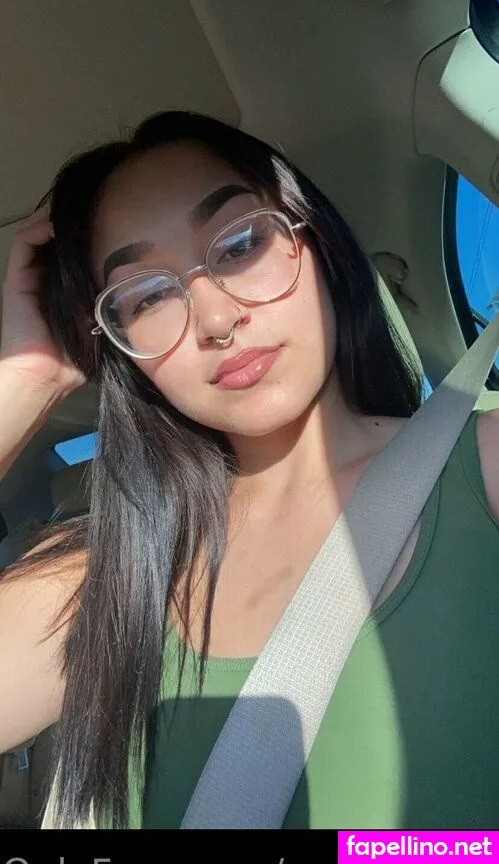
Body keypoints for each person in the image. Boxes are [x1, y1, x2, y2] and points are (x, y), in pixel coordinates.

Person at [0, 110, 498, 830]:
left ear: (314, 242)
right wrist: (24, 381)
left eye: (239, 245)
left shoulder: (480, 467)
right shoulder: (104, 580)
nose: (215, 319)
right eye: (145, 297)